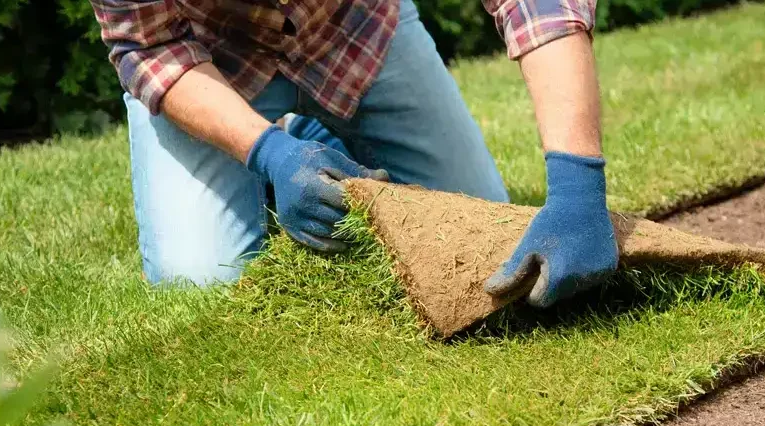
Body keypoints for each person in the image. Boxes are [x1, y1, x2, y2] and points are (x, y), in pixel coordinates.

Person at [90, 0, 619, 308]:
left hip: (352, 27)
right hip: (211, 62)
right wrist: (268, 152)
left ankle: (320, 144)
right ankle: (281, 156)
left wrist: (578, 184)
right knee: (199, 281)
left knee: (480, 235)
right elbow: (151, 46)